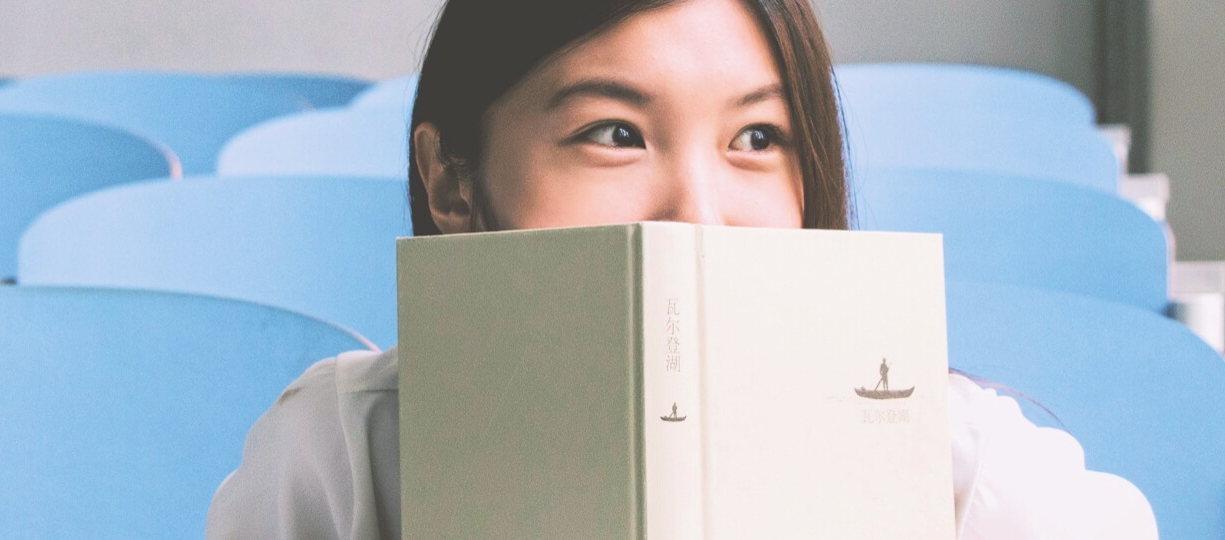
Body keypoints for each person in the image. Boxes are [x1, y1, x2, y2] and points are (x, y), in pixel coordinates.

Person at [207, 0, 1160, 538]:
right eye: (613, 134)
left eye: (757, 136)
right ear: (452, 182)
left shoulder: (943, 455)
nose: (698, 213)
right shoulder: (339, 458)